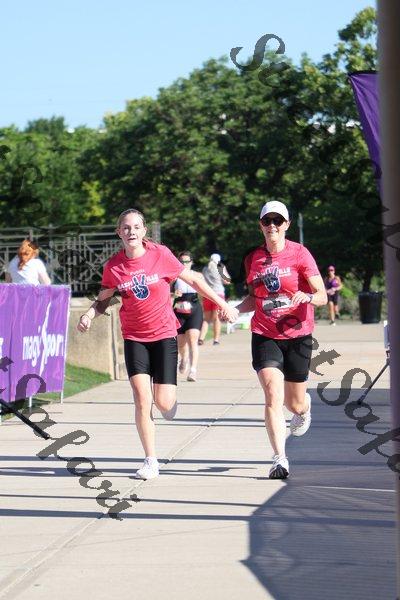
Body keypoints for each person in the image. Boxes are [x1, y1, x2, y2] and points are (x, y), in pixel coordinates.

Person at [77, 209, 238, 481]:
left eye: (136, 227)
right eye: (126, 227)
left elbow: (194, 280)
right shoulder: (114, 266)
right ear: (119, 232)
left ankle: (168, 402)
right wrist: (89, 315)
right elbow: (104, 298)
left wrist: (223, 303)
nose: (131, 232)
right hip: (134, 337)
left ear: (144, 231)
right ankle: (150, 460)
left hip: (164, 335)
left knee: (163, 403)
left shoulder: (160, 254)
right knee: (142, 399)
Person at [236, 200, 327, 479]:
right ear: (261, 225)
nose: (272, 226)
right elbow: (253, 298)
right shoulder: (253, 258)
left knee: (293, 404)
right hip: (265, 334)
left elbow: (322, 295)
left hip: (298, 334)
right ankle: (279, 459)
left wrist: (307, 297)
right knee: (272, 395)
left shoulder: (300, 254)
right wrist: (235, 310)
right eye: (267, 221)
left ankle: (304, 407)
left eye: (277, 221)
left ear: (286, 224)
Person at [172, 251, 203, 382]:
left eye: (186, 261)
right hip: (179, 310)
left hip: (194, 308)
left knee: (192, 340)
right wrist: (173, 294)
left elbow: (205, 292)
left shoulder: (198, 275)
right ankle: (184, 358)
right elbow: (165, 293)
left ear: (191, 262)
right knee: (180, 343)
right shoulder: (174, 276)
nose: (184, 264)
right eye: (181, 262)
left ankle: (193, 371)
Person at [199, 253, 231, 345]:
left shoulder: (205, 269)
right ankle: (216, 340)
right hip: (218, 295)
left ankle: (201, 338)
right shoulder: (220, 267)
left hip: (207, 295)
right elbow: (227, 281)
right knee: (216, 318)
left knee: (206, 319)